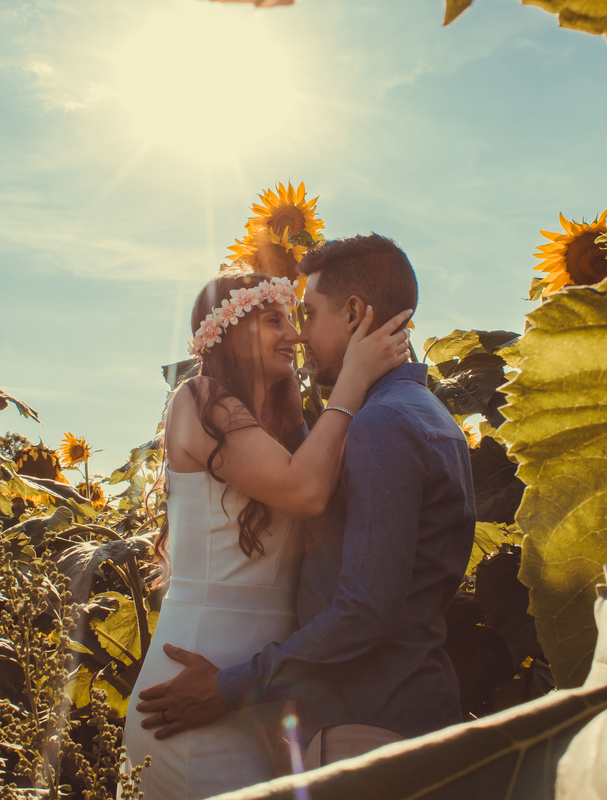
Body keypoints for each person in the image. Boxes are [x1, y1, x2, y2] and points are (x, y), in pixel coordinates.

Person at [135, 235, 476, 770]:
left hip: (345, 710)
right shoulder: (419, 417)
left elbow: (363, 607)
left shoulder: (383, 426)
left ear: (357, 315)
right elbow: (307, 489)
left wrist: (231, 687)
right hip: (212, 687)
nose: (297, 335)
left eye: (306, 314)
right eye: (279, 321)